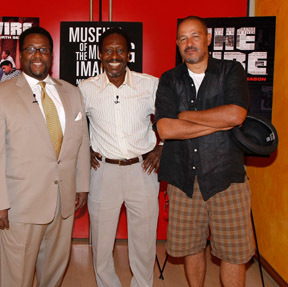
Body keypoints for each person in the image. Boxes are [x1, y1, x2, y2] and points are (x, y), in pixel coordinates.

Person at [0, 26, 90, 286]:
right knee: (18, 278)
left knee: (54, 273)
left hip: (64, 202)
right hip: (20, 206)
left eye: (43, 49)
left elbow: (82, 142)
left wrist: (82, 185)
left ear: (51, 54)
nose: (37, 55)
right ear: (20, 54)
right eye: (30, 49)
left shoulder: (72, 92)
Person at [154, 16, 254, 287]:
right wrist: (217, 124)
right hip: (184, 180)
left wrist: (186, 116)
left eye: (195, 36)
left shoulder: (231, 70)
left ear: (208, 38)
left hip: (226, 178)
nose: (189, 43)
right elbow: (165, 129)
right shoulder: (169, 79)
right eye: (183, 38)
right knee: (191, 248)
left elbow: (236, 114)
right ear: (177, 44)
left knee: (233, 253)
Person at [78, 27, 162, 287]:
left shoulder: (150, 84)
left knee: (145, 241)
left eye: (120, 50)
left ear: (129, 54)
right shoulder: (86, 88)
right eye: (108, 50)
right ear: (100, 55)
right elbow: (75, 127)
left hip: (143, 171)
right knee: (102, 243)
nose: (114, 55)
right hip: (103, 172)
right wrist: (85, 149)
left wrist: (163, 147)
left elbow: (170, 119)